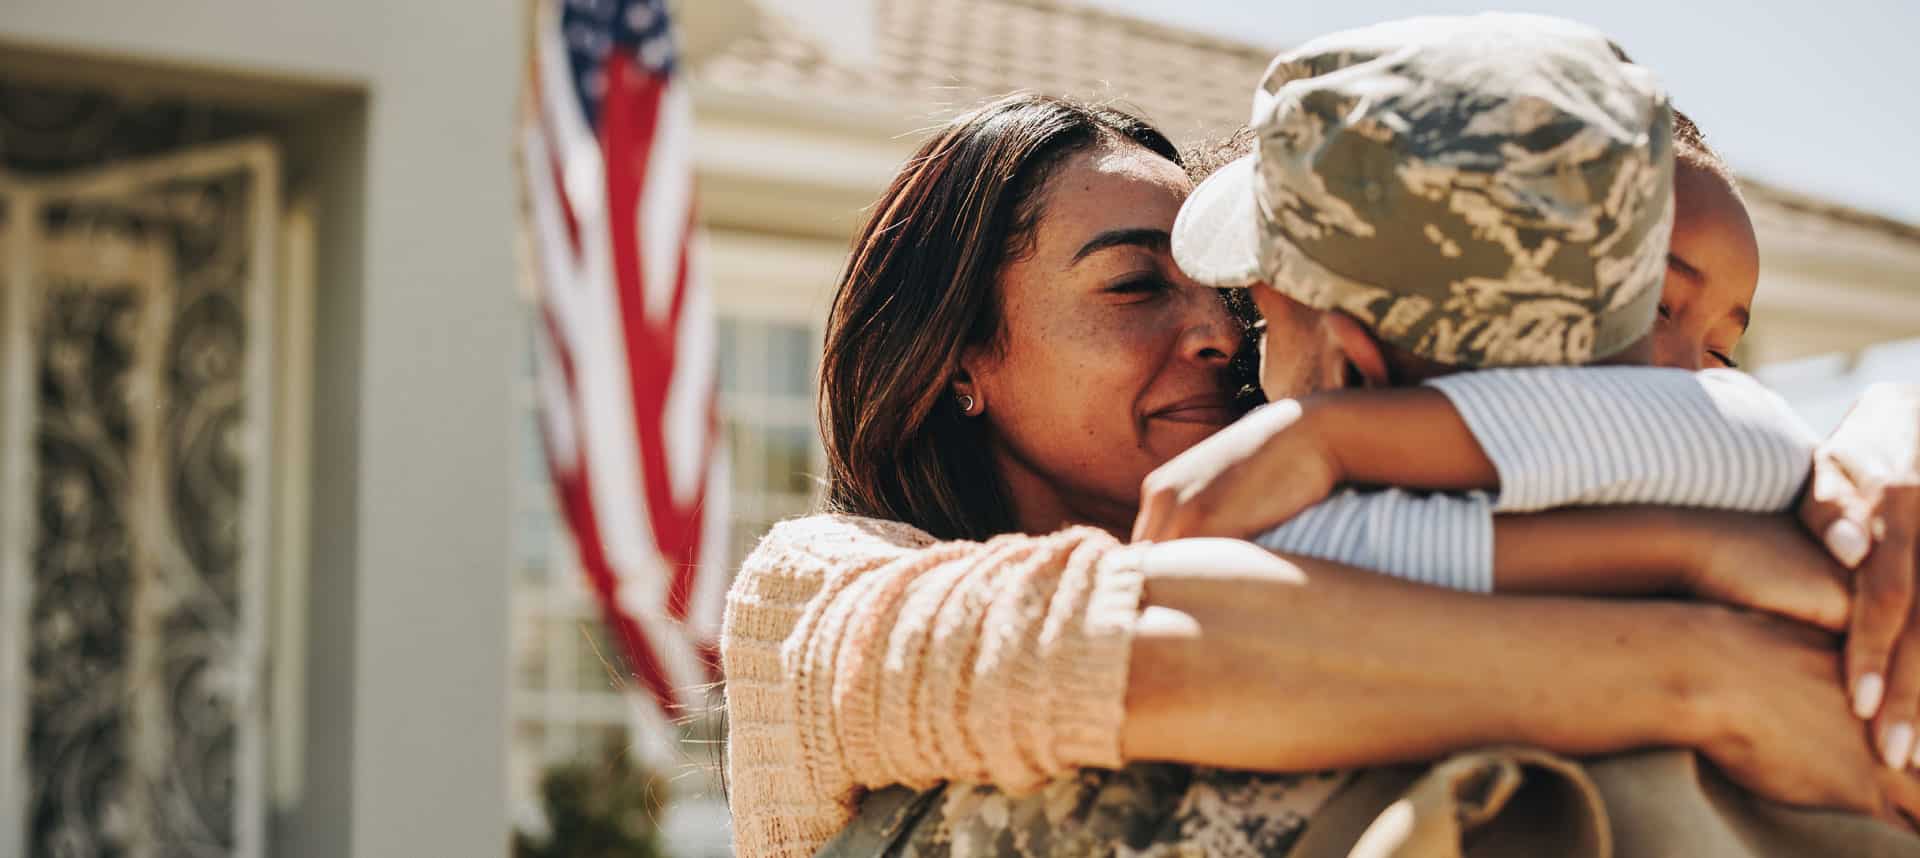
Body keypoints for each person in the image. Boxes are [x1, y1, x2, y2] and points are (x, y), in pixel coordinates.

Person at [719, 91, 1920, 858]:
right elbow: (1111, 646)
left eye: (1236, 304)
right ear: (956, 361)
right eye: (1135, 286)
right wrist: (1709, 669)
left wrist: (1882, 459)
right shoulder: (813, 592)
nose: (1218, 337)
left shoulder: (1343, 513)